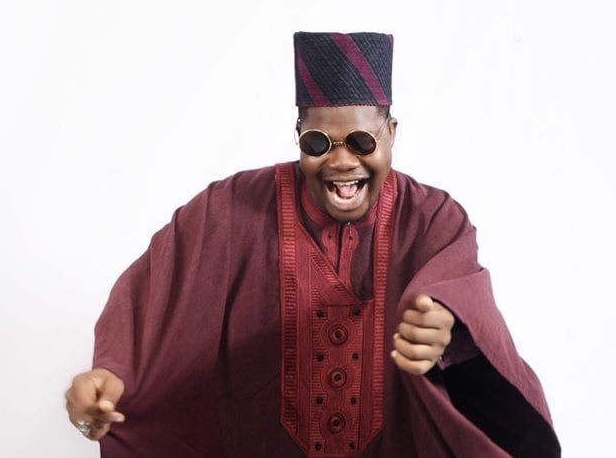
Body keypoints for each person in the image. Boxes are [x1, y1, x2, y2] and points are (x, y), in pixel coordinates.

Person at [65, 32, 560, 457]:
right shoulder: (230, 209)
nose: (341, 161)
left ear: (391, 133)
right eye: (318, 143)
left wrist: (450, 334)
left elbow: (462, 298)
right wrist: (112, 374)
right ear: (299, 136)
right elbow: (152, 299)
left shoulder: (433, 219)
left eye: (362, 142)